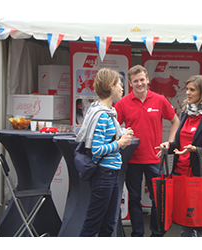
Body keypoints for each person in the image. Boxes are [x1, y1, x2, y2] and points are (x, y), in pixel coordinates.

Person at [156, 75, 202, 237]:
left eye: (192, 90)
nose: (187, 93)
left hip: (201, 178)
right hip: (181, 176)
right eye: (187, 89)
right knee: (185, 225)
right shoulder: (186, 113)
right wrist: (169, 145)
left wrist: (195, 149)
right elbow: (180, 144)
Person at [114, 65, 180, 237]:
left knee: (158, 200)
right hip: (132, 159)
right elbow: (114, 128)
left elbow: (175, 121)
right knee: (134, 199)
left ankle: (156, 235)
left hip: (154, 159)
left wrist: (170, 143)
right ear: (130, 83)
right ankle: (137, 235)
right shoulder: (122, 103)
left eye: (142, 79)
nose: (139, 83)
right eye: (135, 81)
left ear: (148, 79)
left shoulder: (159, 99)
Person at [76, 68, 133, 237]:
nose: (122, 88)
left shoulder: (107, 113)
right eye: (119, 84)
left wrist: (121, 134)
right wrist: (120, 142)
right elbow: (96, 150)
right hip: (104, 174)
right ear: (110, 86)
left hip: (111, 174)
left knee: (108, 224)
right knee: (93, 224)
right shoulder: (102, 115)